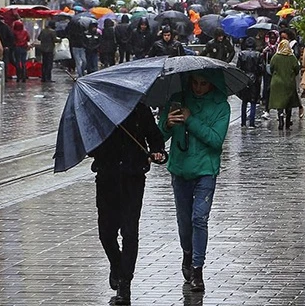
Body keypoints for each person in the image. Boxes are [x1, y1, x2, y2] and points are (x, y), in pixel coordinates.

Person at [157, 71, 231, 293]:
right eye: (195, 83)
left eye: (204, 84)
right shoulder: (177, 100)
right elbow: (159, 137)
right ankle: (187, 253)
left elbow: (216, 140)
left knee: (199, 218)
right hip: (180, 169)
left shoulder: (221, 106)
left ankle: (197, 269)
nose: (199, 88)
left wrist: (190, 120)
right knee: (184, 220)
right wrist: (167, 124)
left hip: (205, 170)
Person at [88, 103, 166, 305]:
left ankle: (125, 283)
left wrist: (157, 152)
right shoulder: (101, 110)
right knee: (106, 232)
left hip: (133, 177)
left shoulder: (140, 109)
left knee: (130, 231)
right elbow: (90, 146)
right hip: (107, 177)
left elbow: (155, 138)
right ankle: (117, 264)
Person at [269, 40, 301, 130]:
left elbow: (271, 68)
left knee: (279, 102)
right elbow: (297, 69)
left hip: (277, 82)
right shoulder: (292, 57)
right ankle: (287, 122)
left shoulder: (275, 57)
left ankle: (280, 117)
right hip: (289, 82)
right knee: (289, 102)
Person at [236, 37, 263, 128]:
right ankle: (252, 122)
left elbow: (238, 67)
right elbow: (261, 68)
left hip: (244, 78)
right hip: (254, 79)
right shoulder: (258, 54)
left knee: (244, 101)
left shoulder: (241, 54)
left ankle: (243, 122)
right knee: (253, 102)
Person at [261, 30, 279, 119]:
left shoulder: (279, 48)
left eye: (274, 38)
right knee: (267, 90)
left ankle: (279, 111)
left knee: (277, 90)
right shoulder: (266, 48)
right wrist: (263, 53)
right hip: (267, 72)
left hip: (277, 72)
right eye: (271, 38)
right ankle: (267, 109)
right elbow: (262, 60)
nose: (272, 40)